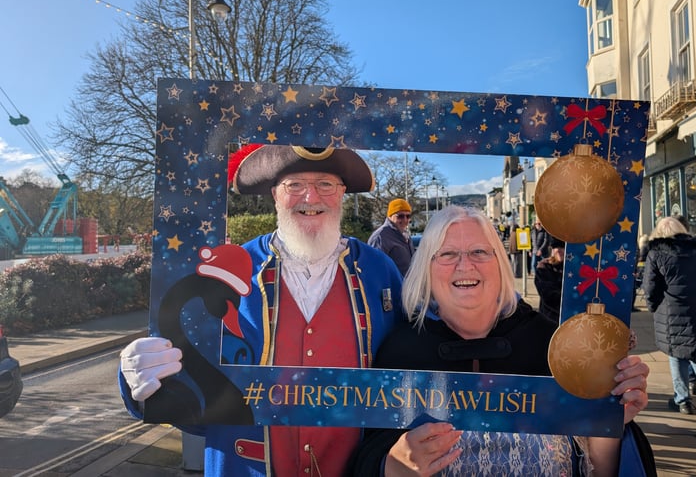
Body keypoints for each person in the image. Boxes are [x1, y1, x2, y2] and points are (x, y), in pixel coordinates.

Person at [118, 145, 405, 475]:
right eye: (294, 185)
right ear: (274, 195)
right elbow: (192, 388)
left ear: (342, 194)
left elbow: (409, 370)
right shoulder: (225, 269)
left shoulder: (379, 272)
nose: (311, 197)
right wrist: (144, 376)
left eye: (326, 184)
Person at [349, 205, 651, 476]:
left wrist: (608, 424)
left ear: (500, 263)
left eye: (480, 252)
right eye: (447, 254)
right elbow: (368, 452)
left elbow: (598, 467)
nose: (465, 266)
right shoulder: (401, 351)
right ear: (426, 268)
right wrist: (391, 466)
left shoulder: (553, 346)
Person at [642, 216, 696, 426]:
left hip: (671, 311)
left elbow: (650, 287)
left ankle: (682, 400)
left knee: (676, 354)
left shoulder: (656, 254)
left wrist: (653, 307)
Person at [368, 198, 416, 275]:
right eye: (400, 216)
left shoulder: (405, 235)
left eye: (408, 216)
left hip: (408, 285)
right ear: (390, 216)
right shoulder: (380, 236)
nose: (405, 220)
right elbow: (375, 268)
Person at [534, 236, 565, 322]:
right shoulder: (544, 267)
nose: (558, 250)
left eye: (562, 247)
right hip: (549, 318)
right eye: (555, 247)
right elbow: (547, 295)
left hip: (569, 318)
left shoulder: (574, 268)